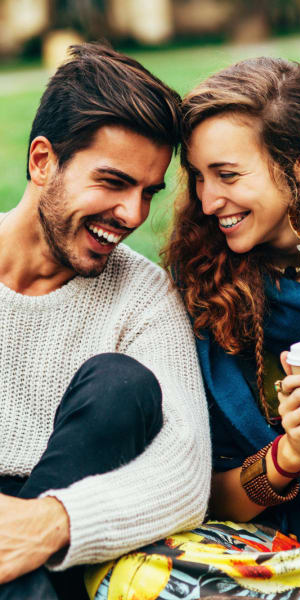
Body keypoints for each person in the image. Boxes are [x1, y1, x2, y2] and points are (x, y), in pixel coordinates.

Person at [91, 56, 300, 599]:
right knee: (134, 573)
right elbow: (207, 498)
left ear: (299, 156)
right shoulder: (196, 287)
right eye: (199, 176)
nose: (209, 202)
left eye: (228, 175)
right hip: (277, 543)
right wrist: (289, 453)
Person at [0, 42, 211, 599]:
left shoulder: (141, 294)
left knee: (123, 382)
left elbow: (187, 471)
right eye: (114, 182)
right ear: (43, 161)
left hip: (66, 529)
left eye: (148, 193)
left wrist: (51, 522)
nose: (134, 215)